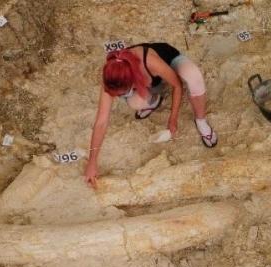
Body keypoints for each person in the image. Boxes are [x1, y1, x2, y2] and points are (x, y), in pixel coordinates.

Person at [84, 42, 217, 187]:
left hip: (168, 62)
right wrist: (92, 162)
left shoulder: (151, 62)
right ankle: (154, 101)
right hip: (150, 83)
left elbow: (177, 85)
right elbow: (101, 122)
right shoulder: (112, 74)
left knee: (194, 77)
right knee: (135, 103)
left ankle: (201, 120)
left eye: (122, 93)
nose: (117, 97)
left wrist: (172, 119)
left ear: (132, 81)